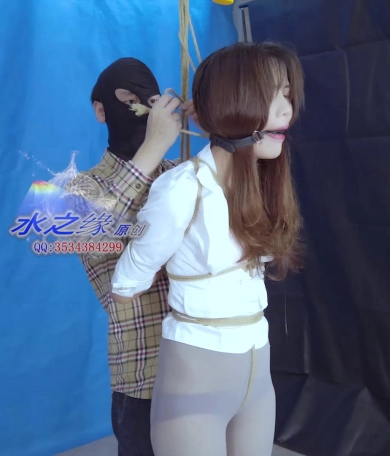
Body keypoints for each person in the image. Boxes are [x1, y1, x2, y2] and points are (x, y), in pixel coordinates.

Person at [110, 42, 305, 456]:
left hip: (257, 373)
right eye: (270, 95)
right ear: (231, 102)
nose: (286, 110)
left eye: (287, 94)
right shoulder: (181, 189)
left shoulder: (263, 186)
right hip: (195, 377)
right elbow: (127, 283)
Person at [64, 57, 194, 456]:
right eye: (126, 99)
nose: (139, 108)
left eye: (150, 100)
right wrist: (153, 147)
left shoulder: (183, 173)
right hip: (143, 378)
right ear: (100, 110)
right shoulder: (80, 189)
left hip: (203, 367)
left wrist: (222, 125)